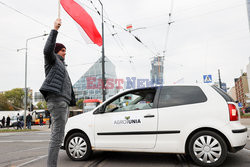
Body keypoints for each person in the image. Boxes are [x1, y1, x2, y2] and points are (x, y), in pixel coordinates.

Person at [39, 18, 76, 167]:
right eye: (62, 50)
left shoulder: (62, 65)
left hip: (63, 103)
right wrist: (55, 29)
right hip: (57, 102)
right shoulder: (52, 60)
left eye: (65, 51)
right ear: (56, 51)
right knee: (56, 138)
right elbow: (47, 50)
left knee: (58, 137)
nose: (65, 53)